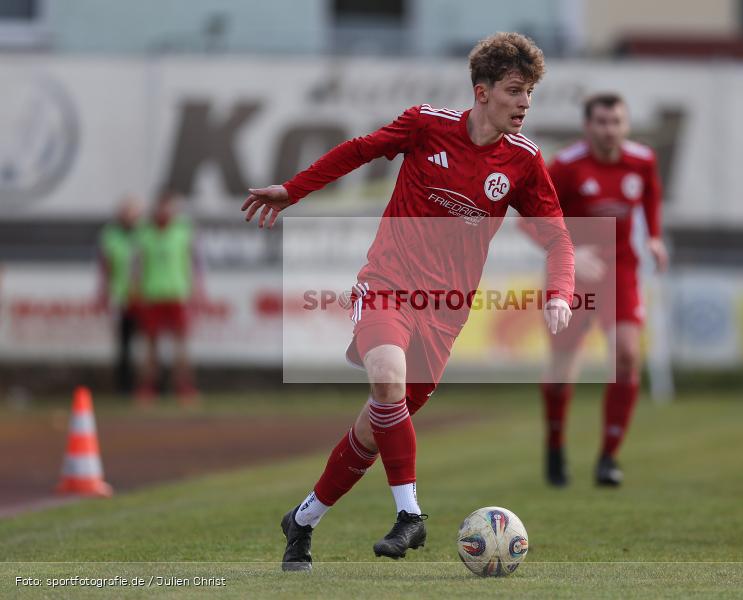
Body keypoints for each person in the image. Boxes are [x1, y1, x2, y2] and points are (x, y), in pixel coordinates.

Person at [242, 32, 575, 571]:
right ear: (482, 91)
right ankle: (410, 514)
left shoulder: (524, 161)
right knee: (386, 381)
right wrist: (293, 189)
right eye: (515, 91)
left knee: (373, 430)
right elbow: (359, 150)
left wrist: (559, 291)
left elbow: (558, 239)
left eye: (530, 93)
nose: (525, 104)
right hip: (388, 284)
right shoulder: (426, 124)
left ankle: (301, 521)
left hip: (446, 311)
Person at [538, 93, 668, 488]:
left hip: (620, 271)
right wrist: (570, 252)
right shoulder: (566, 166)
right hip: (572, 274)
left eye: (616, 122)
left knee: (627, 355)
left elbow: (651, 196)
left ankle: (608, 458)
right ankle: (555, 447)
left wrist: (655, 237)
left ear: (625, 125)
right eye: (602, 122)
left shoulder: (642, 161)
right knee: (563, 368)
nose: (609, 130)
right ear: (587, 126)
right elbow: (532, 218)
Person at [133, 190, 202, 405]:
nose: (164, 211)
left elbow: (194, 263)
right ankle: (148, 387)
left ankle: (184, 387)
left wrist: (198, 289)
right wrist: (136, 289)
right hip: (152, 293)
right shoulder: (144, 232)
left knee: (181, 345)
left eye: (168, 207)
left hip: (177, 293)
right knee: (150, 345)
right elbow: (138, 264)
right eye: (161, 207)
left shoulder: (182, 231)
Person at [98, 196, 142, 396]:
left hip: (144, 295)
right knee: (124, 341)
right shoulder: (111, 235)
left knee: (148, 342)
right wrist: (104, 292)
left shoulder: (144, 233)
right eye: (126, 212)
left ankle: (148, 384)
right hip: (121, 295)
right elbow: (106, 266)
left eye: (132, 212)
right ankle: (124, 385)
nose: (128, 216)